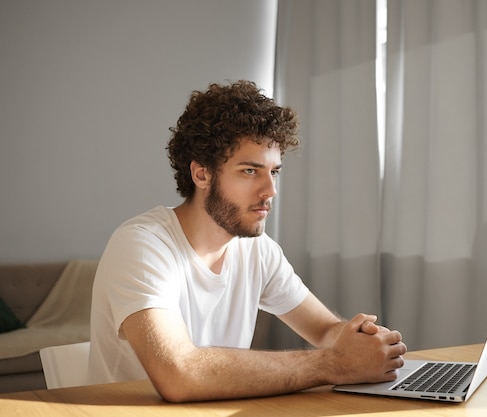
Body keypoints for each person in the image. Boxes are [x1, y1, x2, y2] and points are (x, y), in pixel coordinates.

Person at [88, 80, 406, 403]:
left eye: (274, 172)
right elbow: (179, 373)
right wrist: (335, 364)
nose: (270, 191)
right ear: (201, 174)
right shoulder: (142, 247)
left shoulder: (258, 250)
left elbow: (324, 330)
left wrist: (358, 341)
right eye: (250, 171)